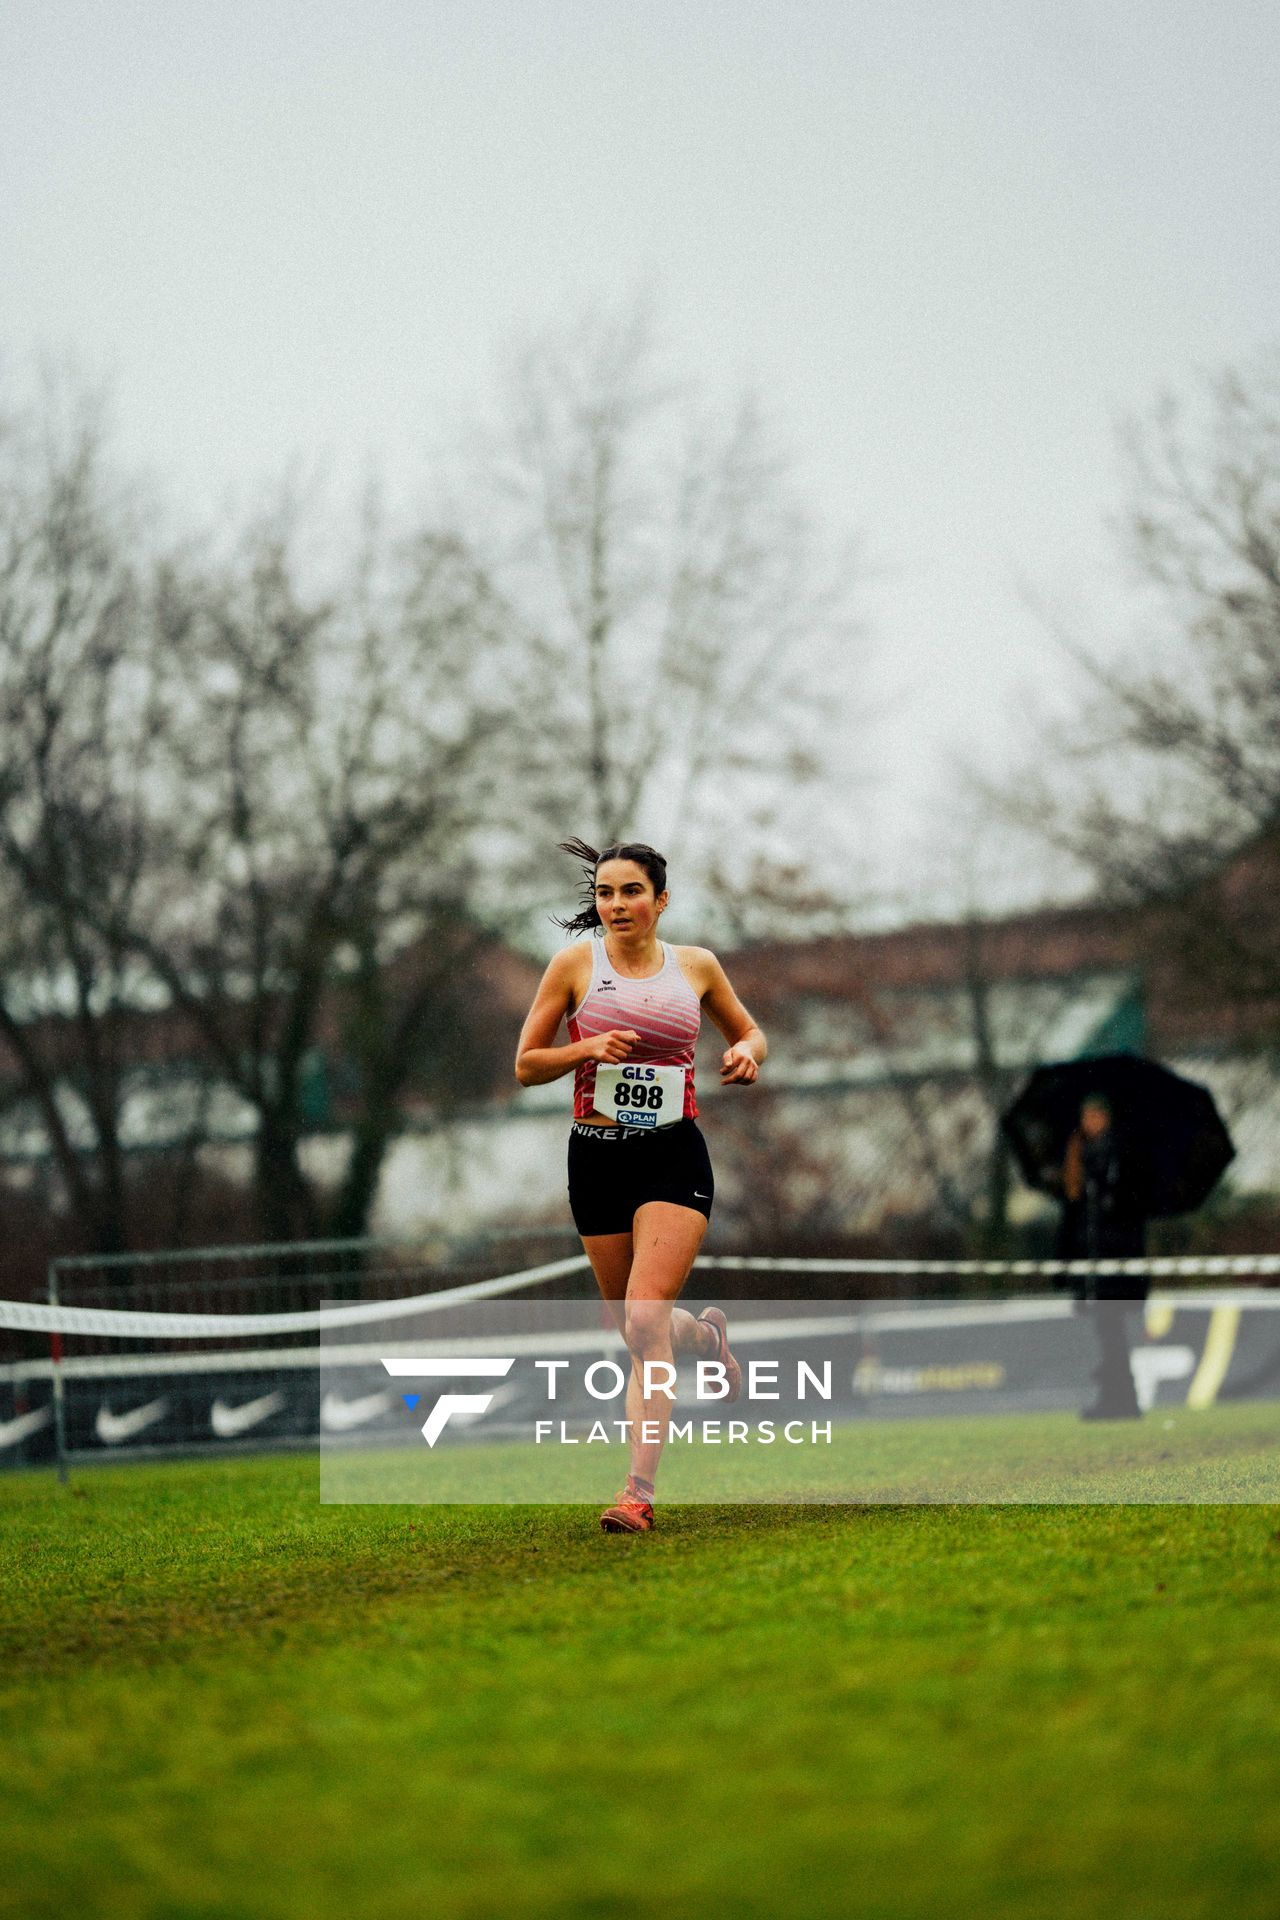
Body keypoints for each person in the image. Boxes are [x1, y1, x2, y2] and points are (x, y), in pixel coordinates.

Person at [514, 840, 767, 1533]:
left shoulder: (696, 966)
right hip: (596, 1159)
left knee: (645, 1319)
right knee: (639, 1326)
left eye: (631, 891)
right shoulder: (573, 966)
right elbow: (527, 1065)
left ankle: (637, 1494)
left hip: (671, 1156)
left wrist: (745, 1051)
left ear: (661, 900)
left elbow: (750, 1032)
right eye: (605, 892)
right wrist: (585, 1048)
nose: (616, 904)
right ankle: (708, 1339)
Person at [1048, 1094, 1149, 1421]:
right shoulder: (1077, 1158)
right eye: (1086, 1116)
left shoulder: (1122, 1158)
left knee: (1112, 1333)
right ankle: (1118, 1399)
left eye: (1095, 1116)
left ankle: (1120, 1400)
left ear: (1106, 1118)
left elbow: (1129, 1211)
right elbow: (1072, 1217)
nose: (1089, 1123)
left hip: (1114, 1264)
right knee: (1107, 1334)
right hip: (1091, 1263)